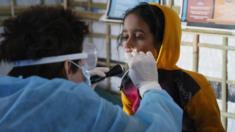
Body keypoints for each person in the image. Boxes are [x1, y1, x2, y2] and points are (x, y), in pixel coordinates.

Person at [0, 6, 182, 131]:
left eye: (139, 36)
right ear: (67, 66)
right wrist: (150, 86)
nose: (128, 44)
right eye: (81, 66)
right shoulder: (71, 102)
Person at [119, 2, 225, 132]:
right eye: (125, 36)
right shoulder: (128, 83)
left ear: (163, 41)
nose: (127, 44)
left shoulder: (192, 85)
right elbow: (129, 126)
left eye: (139, 36)